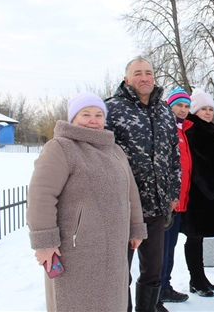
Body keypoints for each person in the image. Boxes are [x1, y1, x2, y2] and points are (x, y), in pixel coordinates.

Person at [27, 92, 147, 312]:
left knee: (112, 302)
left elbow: (130, 192)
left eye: (99, 115)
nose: (94, 120)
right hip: (76, 251)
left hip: (114, 248)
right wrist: (45, 242)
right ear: (73, 118)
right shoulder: (61, 147)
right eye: (86, 114)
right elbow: (41, 196)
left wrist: (136, 228)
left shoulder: (115, 150)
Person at [105, 57, 181, 312]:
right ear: (127, 79)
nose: (144, 77)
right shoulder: (111, 109)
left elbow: (174, 154)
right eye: (138, 73)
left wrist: (173, 193)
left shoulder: (164, 110)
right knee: (119, 270)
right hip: (123, 209)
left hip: (157, 207)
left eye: (149, 72)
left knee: (153, 268)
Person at [181, 88, 214, 298]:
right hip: (197, 196)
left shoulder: (207, 131)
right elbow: (199, 167)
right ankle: (197, 280)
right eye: (203, 109)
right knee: (194, 237)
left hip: (205, 195)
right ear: (195, 111)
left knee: (198, 238)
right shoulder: (194, 132)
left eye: (210, 109)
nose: (208, 113)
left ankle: (199, 278)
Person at [159, 87, 193, 305]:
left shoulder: (183, 130)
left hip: (180, 201)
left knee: (170, 248)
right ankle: (157, 289)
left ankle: (165, 285)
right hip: (167, 201)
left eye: (186, 106)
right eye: (178, 105)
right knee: (160, 250)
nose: (182, 110)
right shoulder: (165, 128)